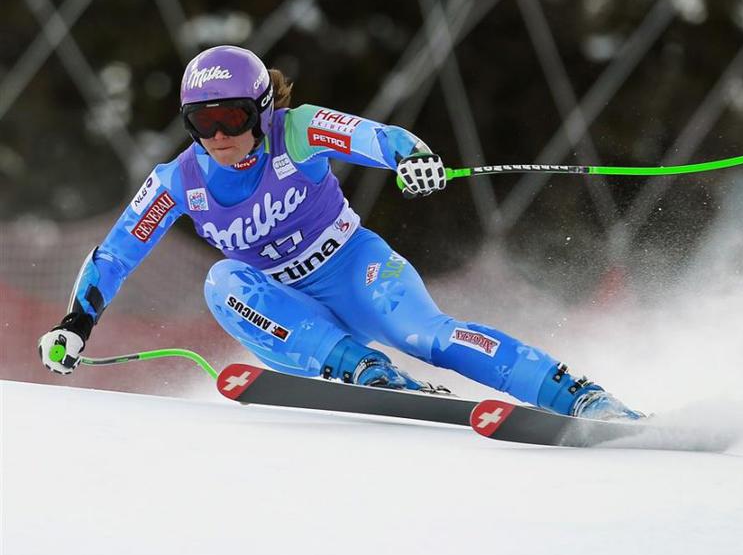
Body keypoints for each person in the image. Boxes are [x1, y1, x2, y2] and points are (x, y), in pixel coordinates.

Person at [37, 44, 643, 421]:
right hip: (287, 309)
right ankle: (365, 372)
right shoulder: (177, 181)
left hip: (355, 269)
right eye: (202, 121)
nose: (219, 135)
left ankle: (579, 396)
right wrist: (75, 325)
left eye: (233, 117)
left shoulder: (296, 130)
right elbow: (114, 256)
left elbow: (375, 137)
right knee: (222, 281)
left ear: (262, 110)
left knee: (427, 335)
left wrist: (412, 158)